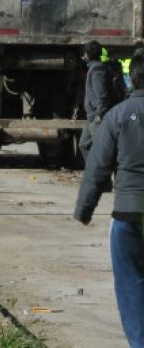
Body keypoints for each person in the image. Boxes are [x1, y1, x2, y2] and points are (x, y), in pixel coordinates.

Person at [75, 52, 144, 347]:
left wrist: (84, 210)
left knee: (131, 287)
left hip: (128, 214)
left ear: (132, 78)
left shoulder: (117, 115)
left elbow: (97, 167)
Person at [80, 40, 114, 162]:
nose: (83, 57)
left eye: (84, 54)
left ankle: (101, 176)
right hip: (91, 116)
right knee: (84, 145)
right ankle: (93, 174)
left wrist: (100, 113)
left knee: (100, 149)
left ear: (88, 55)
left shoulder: (97, 70)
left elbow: (102, 95)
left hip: (96, 116)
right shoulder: (93, 68)